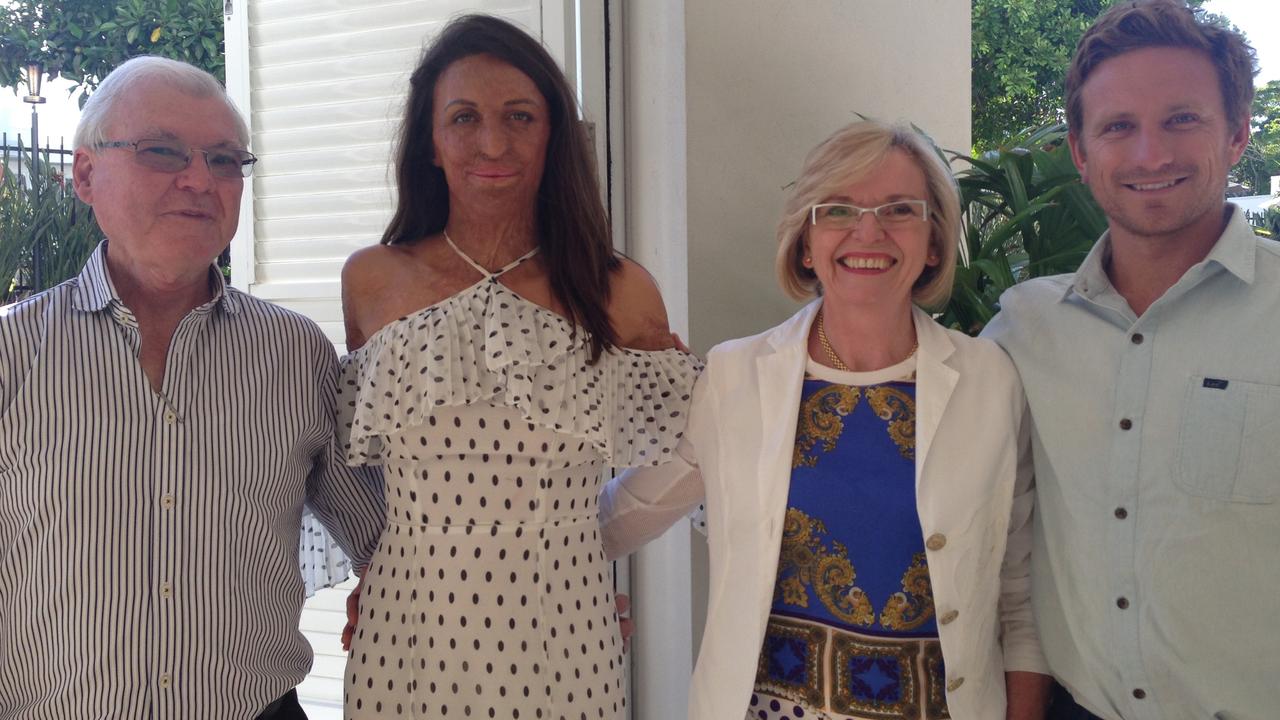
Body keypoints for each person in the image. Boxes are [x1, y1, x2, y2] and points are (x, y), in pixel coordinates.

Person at [599, 120, 1051, 720]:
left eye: (899, 209)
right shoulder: (736, 376)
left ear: (935, 241)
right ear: (806, 243)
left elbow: (1020, 591)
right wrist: (555, 580)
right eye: (837, 209)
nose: (869, 230)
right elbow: (627, 512)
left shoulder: (991, 380)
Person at [336, 14, 699, 720]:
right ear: (430, 143)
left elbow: (689, 450)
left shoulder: (619, 290)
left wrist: (579, 545)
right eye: (464, 117)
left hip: (566, 631)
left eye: (520, 116)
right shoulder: (373, 280)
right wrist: (374, 560)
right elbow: (354, 461)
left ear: (552, 135)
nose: (493, 142)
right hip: (405, 636)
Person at [0, 56, 385, 719]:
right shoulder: (12, 352)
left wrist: (552, 590)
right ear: (86, 173)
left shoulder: (297, 356)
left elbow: (398, 542)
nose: (200, 181)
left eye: (226, 161)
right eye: (161, 151)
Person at [981, 2, 1280, 719]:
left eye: (1182, 119)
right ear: (1081, 153)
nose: (1151, 155)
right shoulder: (1023, 330)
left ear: (1237, 132)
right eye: (1118, 126)